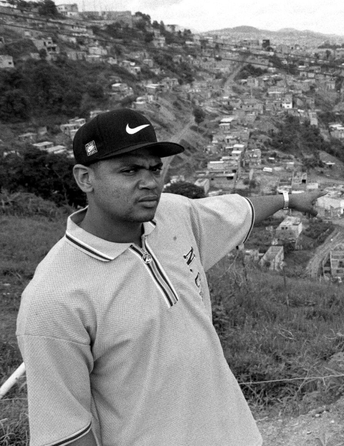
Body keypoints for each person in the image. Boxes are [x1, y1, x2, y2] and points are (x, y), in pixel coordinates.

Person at [16, 108, 323, 446]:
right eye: (129, 169)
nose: (149, 182)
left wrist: (287, 199)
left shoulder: (174, 215)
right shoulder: (54, 299)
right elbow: (66, 433)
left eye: (154, 168)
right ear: (85, 178)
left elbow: (238, 209)